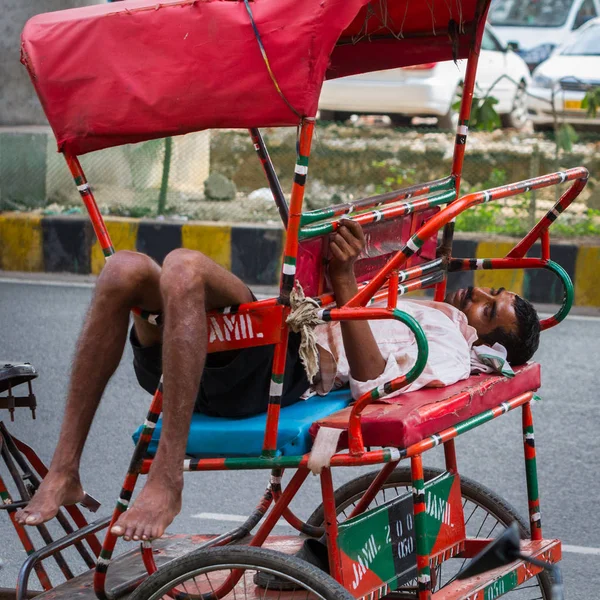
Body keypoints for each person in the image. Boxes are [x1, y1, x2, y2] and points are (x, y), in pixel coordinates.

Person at [15, 220, 540, 541]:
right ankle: (64, 471)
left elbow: (373, 381)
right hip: (214, 356)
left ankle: (167, 476)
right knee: (122, 271)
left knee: (181, 267)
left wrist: (342, 281)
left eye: (489, 311)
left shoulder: (452, 349)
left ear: (487, 344)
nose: (475, 297)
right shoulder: (436, 310)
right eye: (489, 292)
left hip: (280, 371)